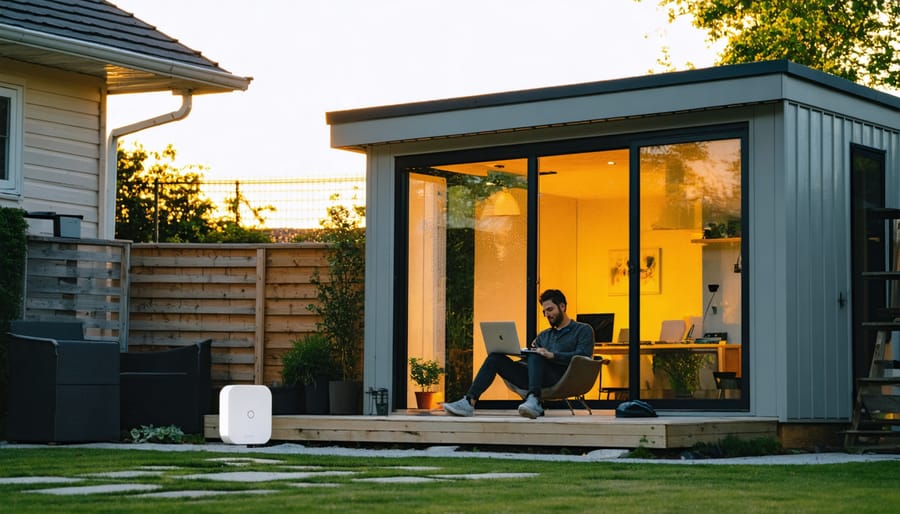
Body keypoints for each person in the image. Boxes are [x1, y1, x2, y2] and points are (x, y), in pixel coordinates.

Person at [443, 289, 594, 419]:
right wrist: (521, 353)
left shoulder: (582, 330)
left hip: (561, 377)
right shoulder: (544, 335)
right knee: (495, 358)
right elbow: (533, 361)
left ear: (562, 306)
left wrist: (552, 355)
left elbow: (584, 355)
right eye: (544, 311)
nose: (547, 314)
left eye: (550, 309)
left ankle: (534, 400)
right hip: (534, 377)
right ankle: (469, 402)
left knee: (537, 355)